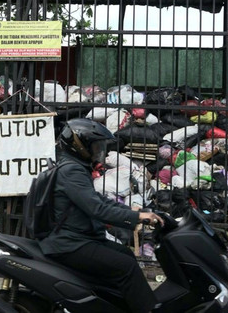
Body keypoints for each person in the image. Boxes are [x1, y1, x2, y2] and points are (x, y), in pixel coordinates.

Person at [39, 118, 163, 313]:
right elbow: (96, 209)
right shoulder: (72, 171)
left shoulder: (75, 167)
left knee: (126, 254)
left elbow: (97, 199)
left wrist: (133, 211)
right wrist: (136, 218)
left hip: (77, 237)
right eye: (95, 146)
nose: (99, 151)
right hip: (70, 243)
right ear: (79, 146)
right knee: (126, 267)